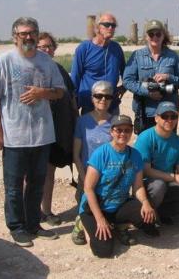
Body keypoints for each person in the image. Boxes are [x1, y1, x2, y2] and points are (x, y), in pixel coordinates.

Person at [0, 17, 65, 247]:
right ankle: (17, 227)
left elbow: (59, 92)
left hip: (42, 134)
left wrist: (43, 92)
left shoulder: (47, 62)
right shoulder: (4, 61)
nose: (28, 37)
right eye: (23, 34)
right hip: (14, 136)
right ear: (15, 37)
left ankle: (33, 224)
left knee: (36, 183)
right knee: (13, 186)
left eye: (32, 33)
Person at [79, 115, 157, 258]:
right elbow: (88, 188)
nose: (123, 134)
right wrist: (100, 218)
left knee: (149, 218)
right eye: (119, 130)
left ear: (131, 131)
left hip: (118, 205)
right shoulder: (101, 153)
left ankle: (117, 225)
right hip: (95, 207)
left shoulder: (135, 155)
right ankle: (82, 224)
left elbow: (138, 186)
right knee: (104, 251)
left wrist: (145, 203)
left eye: (127, 130)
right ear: (112, 132)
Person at [134, 101, 179, 226]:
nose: (169, 120)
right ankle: (143, 218)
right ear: (156, 118)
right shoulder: (145, 137)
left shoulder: (178, 142)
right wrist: (175, 177)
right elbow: (146, 170)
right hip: (147, 184)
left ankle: (159, 214)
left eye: (173, 117)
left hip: (169, 182)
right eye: (165, 116)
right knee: (159, 186)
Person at [36, 32, 79, 227]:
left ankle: (46, 211)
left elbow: (71, 99)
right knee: (32, 174)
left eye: (49, 46)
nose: (46, 50)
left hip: (58, 131)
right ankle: (31, 212)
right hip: (36, 132)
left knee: (49, 172)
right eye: (41, 47)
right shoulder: (31, 70)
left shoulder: (59, 70)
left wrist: (74, 124)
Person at [71, 80, 115, 245]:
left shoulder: (116, 123)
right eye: (98, 96)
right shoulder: (82, 122)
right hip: (87, 174)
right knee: (87, 204)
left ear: (112, 99)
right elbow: (76, 154)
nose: (103, 99)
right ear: (92, 98)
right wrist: (83, 177)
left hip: (109, 175)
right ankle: (81, 223)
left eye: (107, 96)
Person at [123, 19, 179, 133]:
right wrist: (147, 92)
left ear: (163, 36)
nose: (155, 37)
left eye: (158, 34)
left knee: (167, 147)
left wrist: (168, 77)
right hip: (145, 111)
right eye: (151, 34)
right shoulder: (137, 56)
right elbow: (127, 81)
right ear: (146, 36)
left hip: (168, 113)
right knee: (146, 147)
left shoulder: (173, 56)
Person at [71, 12, 125, 115]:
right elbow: (75, 78)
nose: (110, 28)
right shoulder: (84, 48)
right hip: (89, 106)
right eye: (106, 24)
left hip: (111, 105)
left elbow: (126, 73)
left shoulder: (116, 48)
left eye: (113, 25)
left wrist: (123, 88)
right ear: (98, 27)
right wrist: (73, 104)